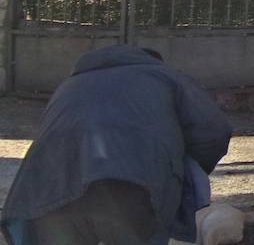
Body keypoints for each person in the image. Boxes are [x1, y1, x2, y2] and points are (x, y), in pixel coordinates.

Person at [2, 45, 232, 245]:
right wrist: (183, 171)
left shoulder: (69, 85)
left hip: (50, 193)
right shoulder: (166, 77)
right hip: (131, 191)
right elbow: (214, 132)